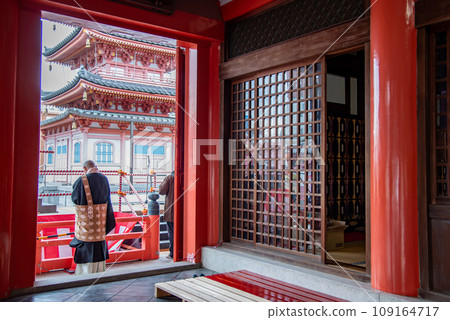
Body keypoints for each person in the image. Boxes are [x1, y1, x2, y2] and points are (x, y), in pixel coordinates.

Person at [70, 160, 116, 275]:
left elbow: (75, 198)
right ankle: (99, 270)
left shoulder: (82, 180)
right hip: (101, 220)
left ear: (85, 168)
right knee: (98, 245)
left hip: (87, 222)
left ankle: (84, 273)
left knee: (86, 243)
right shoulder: (104, 179)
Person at [159, 171, 174, 259]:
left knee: (171, 233)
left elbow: (161, 191)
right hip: (185, 212)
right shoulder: (187, 176)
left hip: (171, 211)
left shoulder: (170, 178)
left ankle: (173, 253)